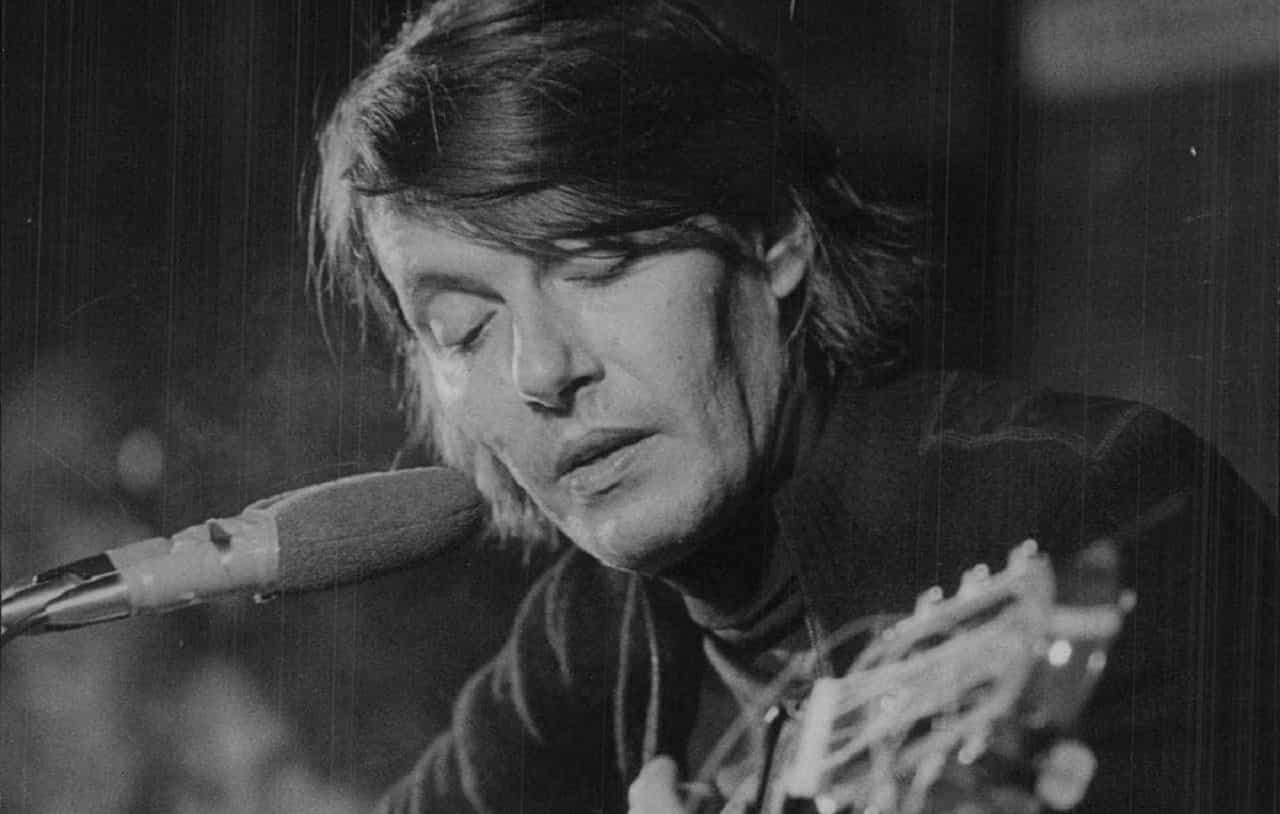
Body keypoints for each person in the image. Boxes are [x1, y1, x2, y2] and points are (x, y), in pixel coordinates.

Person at [309, 1, 1278, 812]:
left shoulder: (1104, 507)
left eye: (600, 263)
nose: (541, 369)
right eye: (464, 328)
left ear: (775, 239)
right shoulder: (583, 641)